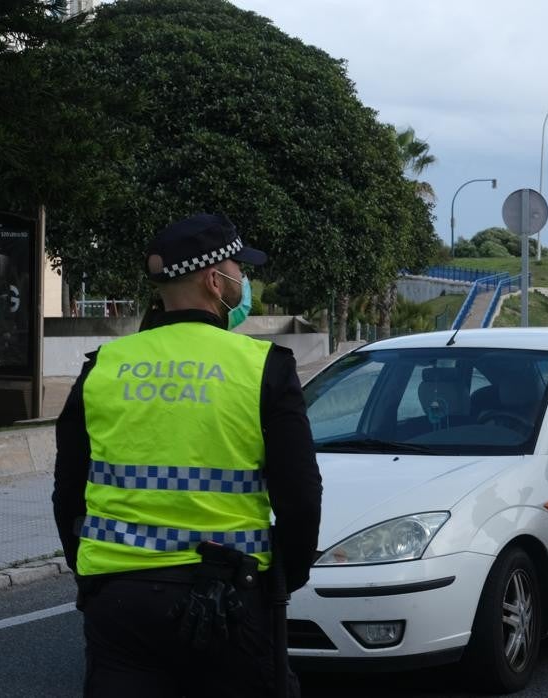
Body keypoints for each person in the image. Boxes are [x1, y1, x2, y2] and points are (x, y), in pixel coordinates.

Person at [52, 213, 322, 697]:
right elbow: (300, 497)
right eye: (239, 266)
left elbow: (67, 492)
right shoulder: (263, 368)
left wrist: (92, 577)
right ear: (213, 280)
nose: (245, 277)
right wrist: (285, 575)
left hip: (119, 601)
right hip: (228, 599)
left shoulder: (104, 367)